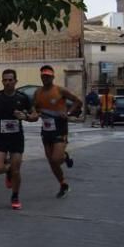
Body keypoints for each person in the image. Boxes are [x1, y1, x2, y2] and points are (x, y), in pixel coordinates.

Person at [0, 69, 34, 210]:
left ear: (15, 81)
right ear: (2, 81)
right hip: (1, 137)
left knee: (17, 170)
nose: (7, 82)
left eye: (10, 80)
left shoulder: (22, 98)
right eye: (5, 80)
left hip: (17, 138)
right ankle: (8, 171)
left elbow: (35, 115)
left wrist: (26, 117)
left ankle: (15, 196)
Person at [30, 65, 82, 198]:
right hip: (46, 129)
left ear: (52, 77)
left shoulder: (60, 90)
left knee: (56, 159)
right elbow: (34, 107)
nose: (45, 78)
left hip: (60, 127)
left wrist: (69, 112)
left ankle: (65, 156)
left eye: (48, 76)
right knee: (51, 161)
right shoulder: (38, 92)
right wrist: (35, 113)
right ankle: (63, 184)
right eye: (43, 76)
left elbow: (78, 101)